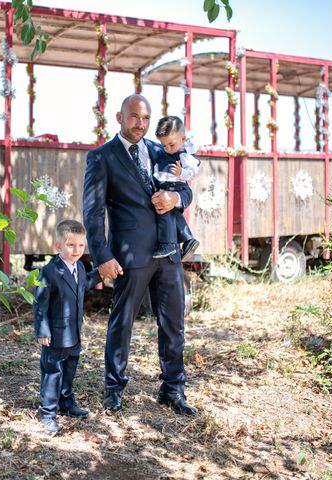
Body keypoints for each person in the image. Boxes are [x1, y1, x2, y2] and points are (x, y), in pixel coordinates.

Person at [82, 94, 198, 416]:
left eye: (145, 118)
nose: (141, 124)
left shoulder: (162, 150)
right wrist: (102, 256)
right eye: (134, 117)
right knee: (122, 323)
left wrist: (174, 199)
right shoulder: (101, 157)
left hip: (169, 252)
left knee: (173, 323)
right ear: (119, 117)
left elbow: (185, 187)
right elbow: (93, 213)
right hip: (129, 256)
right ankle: (114, 389)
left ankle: (173, 390)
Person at [33, 219, 103, 434]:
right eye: (71, 245)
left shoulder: (80, 267)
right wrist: (42, 330)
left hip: (74, 333)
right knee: (52, 371)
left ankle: (66, 402)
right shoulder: (49, 271)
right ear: (59, 246)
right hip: (54, 334)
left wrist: (101, 272)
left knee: (70, 368)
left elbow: (84, 284)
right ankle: (47, 412)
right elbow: (40, 303)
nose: (76, 250)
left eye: (81, 245)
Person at [153, 115, 201, 261]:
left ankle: (167, 244)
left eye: (171, 145)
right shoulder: (165, 152)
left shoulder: (184, 155)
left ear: (183, 139)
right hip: (167, 184)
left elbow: (193, 171)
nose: (168, 149)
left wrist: (182, 173)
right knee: (174, 213)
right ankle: (188, 238)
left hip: (175, 185)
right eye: (164, 145)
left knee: (164, 210)